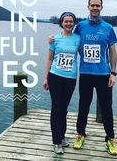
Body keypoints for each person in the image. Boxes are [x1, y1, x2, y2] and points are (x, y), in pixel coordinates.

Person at [49, 0, 117, 155]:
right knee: (83, 106)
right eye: (92, 5)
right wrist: (52, 38)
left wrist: (113, 73)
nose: (95, 8)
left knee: (107, 107)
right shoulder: (80, 26)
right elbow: (67, 37)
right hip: (85, 74)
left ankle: (110, 138)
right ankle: (80, 134)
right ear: (88, 7)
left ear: (102, 7)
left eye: (98, 5)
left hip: (104, 74)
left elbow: (113, 52)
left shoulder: (108, 28)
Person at [43, 12, 80, 154]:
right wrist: (46, 78)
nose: (69, 23)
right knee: (56, 109)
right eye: (66, 21)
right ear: (62, 23)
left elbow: (85, 54)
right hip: (55, 77)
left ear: (74, 23)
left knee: (64, 109)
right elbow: (49, 59)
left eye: (71, 21)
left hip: (70, 79)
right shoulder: (54, 39)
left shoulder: (78, 39)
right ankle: (56, 141)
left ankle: (62, 137)